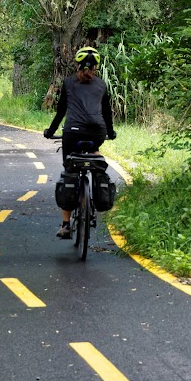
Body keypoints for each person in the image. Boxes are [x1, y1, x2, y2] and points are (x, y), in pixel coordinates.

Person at [43, 46, 116, 238]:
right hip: (97, 132)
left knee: (70, 169)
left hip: (73, 132)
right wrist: (111, 132)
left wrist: (50, 132)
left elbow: (61, 111)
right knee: (95, 158)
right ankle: (96, 193)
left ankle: (66, 225)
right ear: (96, 67)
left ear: (77, 65)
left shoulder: (68, 83)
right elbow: (107, 112)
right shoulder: (101, 85)